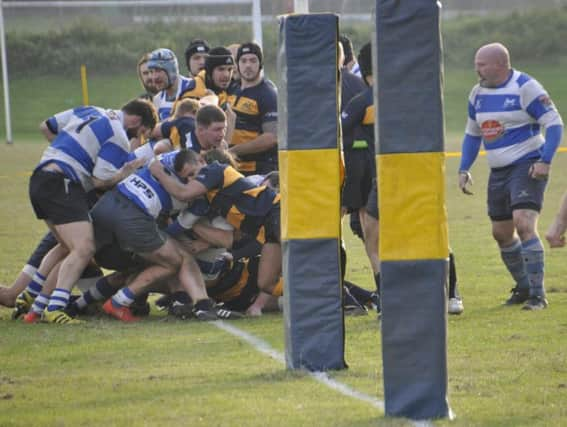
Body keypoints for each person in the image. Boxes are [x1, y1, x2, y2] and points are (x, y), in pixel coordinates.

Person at [22, 99, 157, 324]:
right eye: (141, 132)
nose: (138, 139)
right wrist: (124, 173)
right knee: (84, 248)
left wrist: (69, 152)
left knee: (67, 247)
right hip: (62, 182)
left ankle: (33, 303)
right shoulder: (119, 136)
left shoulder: (91, 109)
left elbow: (47, 126)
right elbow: (99, 180)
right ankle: (54, 308)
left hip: (41, 177)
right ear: (136, 120)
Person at [458, 42, 564, 310]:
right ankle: (524, 286)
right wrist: (463, 168)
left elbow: (554, 124)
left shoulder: (525, 87)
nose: (476, 68)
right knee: (501, 233)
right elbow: (473, 134)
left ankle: (538, 296)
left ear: (500, 64)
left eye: (482, 64)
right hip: (498, 170)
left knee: (524, 223)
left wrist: (545, 161)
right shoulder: (477, 94)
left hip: (527, 164)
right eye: (476, 63)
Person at [149, 148, 282, 317]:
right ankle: (310, 292)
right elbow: (184, 222)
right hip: (264, 229)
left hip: (276, 210)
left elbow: (183, 193)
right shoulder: (208, 195)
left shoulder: (215, 170)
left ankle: (321, 290)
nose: (191, 180)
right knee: (267, 283)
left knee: (297, 254)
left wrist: (159, 173)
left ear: (201, 162)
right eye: (187, 178)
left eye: (192, 173)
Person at [228, 42, 278, 176]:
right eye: (243, 61)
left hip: (259, 172)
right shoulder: (233, 91)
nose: (248, 65)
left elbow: (271, 138)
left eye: (253, 60)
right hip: (235, 168)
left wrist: (233, 151)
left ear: (260, 64)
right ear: (237, 65)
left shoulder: (268, 95)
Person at [147, 48, 195, 121]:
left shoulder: (193, 87)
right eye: (151, 72)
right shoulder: (157, 99)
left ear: (172, 70)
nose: (154, 77)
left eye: (158, 71)